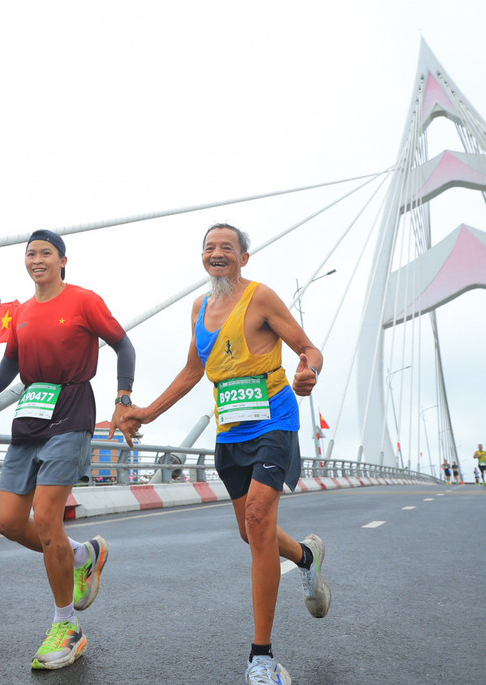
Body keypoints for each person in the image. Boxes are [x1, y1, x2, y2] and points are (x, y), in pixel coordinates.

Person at [119, 223, 330, 685]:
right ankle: (306, 558)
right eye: (210, 247)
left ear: (243, 258)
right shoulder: (199, 307)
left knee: (257, 519)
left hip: (274, 421)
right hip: (230, 434)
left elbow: (309, 347)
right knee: (251, 533)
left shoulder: (261, 298)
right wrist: (147, 413)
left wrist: (307, 370)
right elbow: (193, 370)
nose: (217, 253)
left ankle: (262, 658)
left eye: (227, 248)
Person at [0, 230, 136, 671]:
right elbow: (11, 364)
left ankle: (65, 625)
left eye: (45, 253)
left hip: (72, 410)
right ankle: (81, 555)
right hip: (30, 413)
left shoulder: (84, 300)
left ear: (63, 260)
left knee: (47, 518)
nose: (37, 260)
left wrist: (123, 397)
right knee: (9, 522)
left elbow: (123, 344)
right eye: (31, 254)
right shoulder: (23, 312)